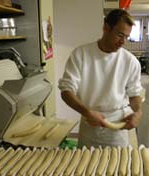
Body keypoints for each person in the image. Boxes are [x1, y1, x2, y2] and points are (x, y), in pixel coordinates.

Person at [58, 9, 143, 148]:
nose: (123, 42)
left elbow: (134, 95)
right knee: (87, 167)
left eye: (126, 37)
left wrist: (138, 112)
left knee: (117, 167)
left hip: (117, 127)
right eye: (120, 35)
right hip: (89, 125)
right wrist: (86, 112)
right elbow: (66, 91)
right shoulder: (81, 54)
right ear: (106, 27)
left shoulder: (130, 61)